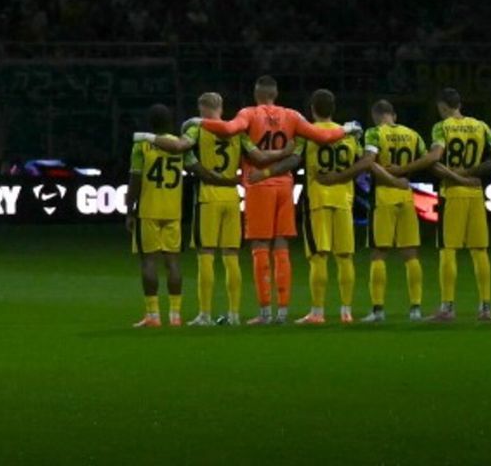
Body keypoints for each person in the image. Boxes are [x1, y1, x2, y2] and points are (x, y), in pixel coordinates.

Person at [197, 76, 345, 325]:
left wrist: (198, 121)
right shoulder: (293, 116)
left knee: (259, 246)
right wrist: (348, 129)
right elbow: (323, 138)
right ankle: (283, 312)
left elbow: (230, 129)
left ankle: (265, 312)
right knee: (281, 246)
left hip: (258, 186)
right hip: (285, 186)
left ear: (257, 93)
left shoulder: (249, 113)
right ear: (275, 93)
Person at [252, 89, 402, 324]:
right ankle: (346, 311)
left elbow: (293, 159)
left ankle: (318, 312)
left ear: (312, 108)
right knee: (345, 257)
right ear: (334, 109)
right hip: (344, 200)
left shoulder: (307, 133)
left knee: (319, 257)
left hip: (318, 201)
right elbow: (362, 163)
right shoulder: (349, 134)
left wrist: (266, 172)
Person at [145, 92, 243, 325]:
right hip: (232, 197)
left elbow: (182, 146)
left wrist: (194, 164)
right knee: (231, 256)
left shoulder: (197, 129)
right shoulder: (237, 130)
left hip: (208, 196)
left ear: (203, 109)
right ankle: (235, 314)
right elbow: (256, 154)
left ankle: (206, 314)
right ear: (221, 107)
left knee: (206, 255)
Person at [427, 87, 491, 322]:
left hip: (452, 192)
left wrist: (457, 175)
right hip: (475, 191)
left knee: (448, 249)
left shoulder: (442, 127)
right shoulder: (481, 126)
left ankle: (447, 307)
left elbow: (436, 158)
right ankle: (485, 307)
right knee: (479, 250)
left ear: (442, 106)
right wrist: (473, 172)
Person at [363, 99, 435, 322]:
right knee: (410, 254)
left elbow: (369, 162)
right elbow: (427, 159)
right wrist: (404, 173)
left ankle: (378, 310)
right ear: (393, 114)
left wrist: (392, 179)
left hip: (384, 195)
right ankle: (415, 309)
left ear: (376, 115)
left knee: (379, 253)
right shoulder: (412, 134)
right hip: (406, 195)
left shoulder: (374, 133)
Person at [128, 104, 186, 327]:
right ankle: (175, 315)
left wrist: (129, 209)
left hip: (148, 209)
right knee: (173, 262)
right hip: (173, 210)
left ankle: (153, 315)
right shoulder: (179, 144)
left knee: (149, 261)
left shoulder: (142, 145)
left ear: (150, 124)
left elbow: (135, 178)